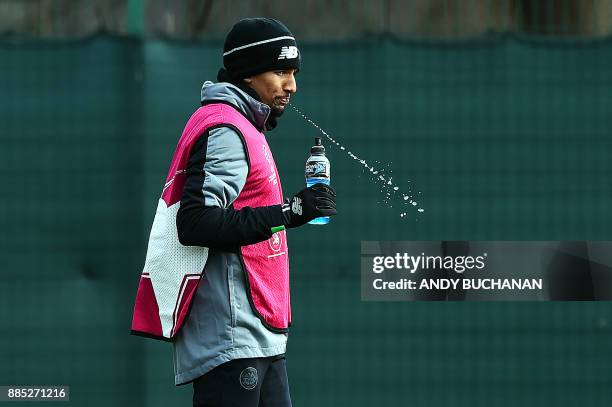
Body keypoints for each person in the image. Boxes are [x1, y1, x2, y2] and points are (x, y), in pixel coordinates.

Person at [130, 17, 337, 407]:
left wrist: (288, 211)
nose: (291, 85)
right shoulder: (226, 128)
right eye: (280, 71)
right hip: (231, 338)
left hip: (258, 337)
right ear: (247, 72)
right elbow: (196, 223)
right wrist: (290, 211)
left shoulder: (245, 125)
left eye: (293, 72)